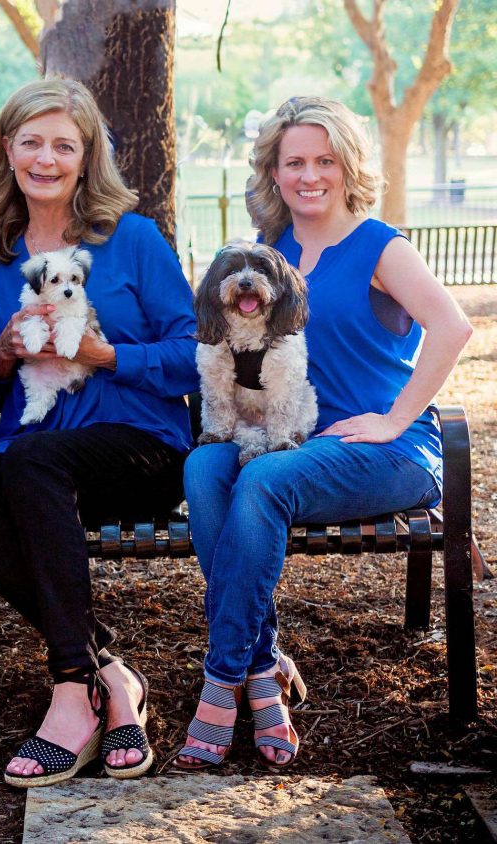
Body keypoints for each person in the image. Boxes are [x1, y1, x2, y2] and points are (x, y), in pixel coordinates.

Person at [175, 96, 473, 771]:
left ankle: (221, 681)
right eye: (294, 162)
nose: (309, 175)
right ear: (274, 173)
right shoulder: (268, 252)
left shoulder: (379, 245)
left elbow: (454, 328)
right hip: (285, 437)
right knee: (202, 470)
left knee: (262, 477)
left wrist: (397, 417)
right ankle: (260, 668)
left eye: (324, 161)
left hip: (382, 448)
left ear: (346, 167)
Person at [0, 79, 199, 787]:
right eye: (31, 141)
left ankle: (67, 693)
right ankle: (109, 676)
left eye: (64, 144)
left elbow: (194, 355)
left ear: (87, 158)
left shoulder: (133, 239)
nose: (46, 158)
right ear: (8, 150)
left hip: (137, 449)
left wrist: (104, 354)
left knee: (30, 460)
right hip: (34, 455)